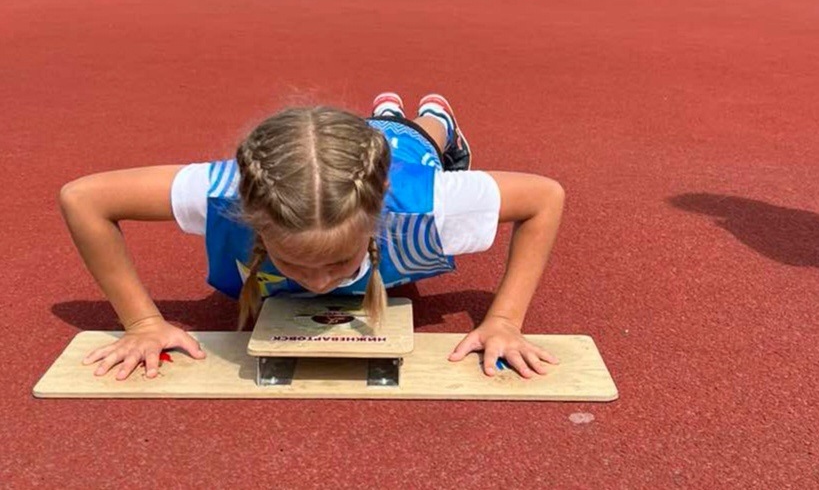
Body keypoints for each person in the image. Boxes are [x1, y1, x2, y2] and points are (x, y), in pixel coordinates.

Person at [59, 93, 565, 381]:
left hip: (404, 157)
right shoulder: (226, 192)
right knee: (385, 125)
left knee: (414, 136)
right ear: (253, 218)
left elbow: (544, 198)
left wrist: (504, 321)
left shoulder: (425, 202)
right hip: (340, 161)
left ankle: (435, 116)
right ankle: (387, 112)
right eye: (297, 263)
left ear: (377, 221)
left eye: (340, 262)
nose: (320, 283)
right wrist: (143, 322)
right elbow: (83, 199)